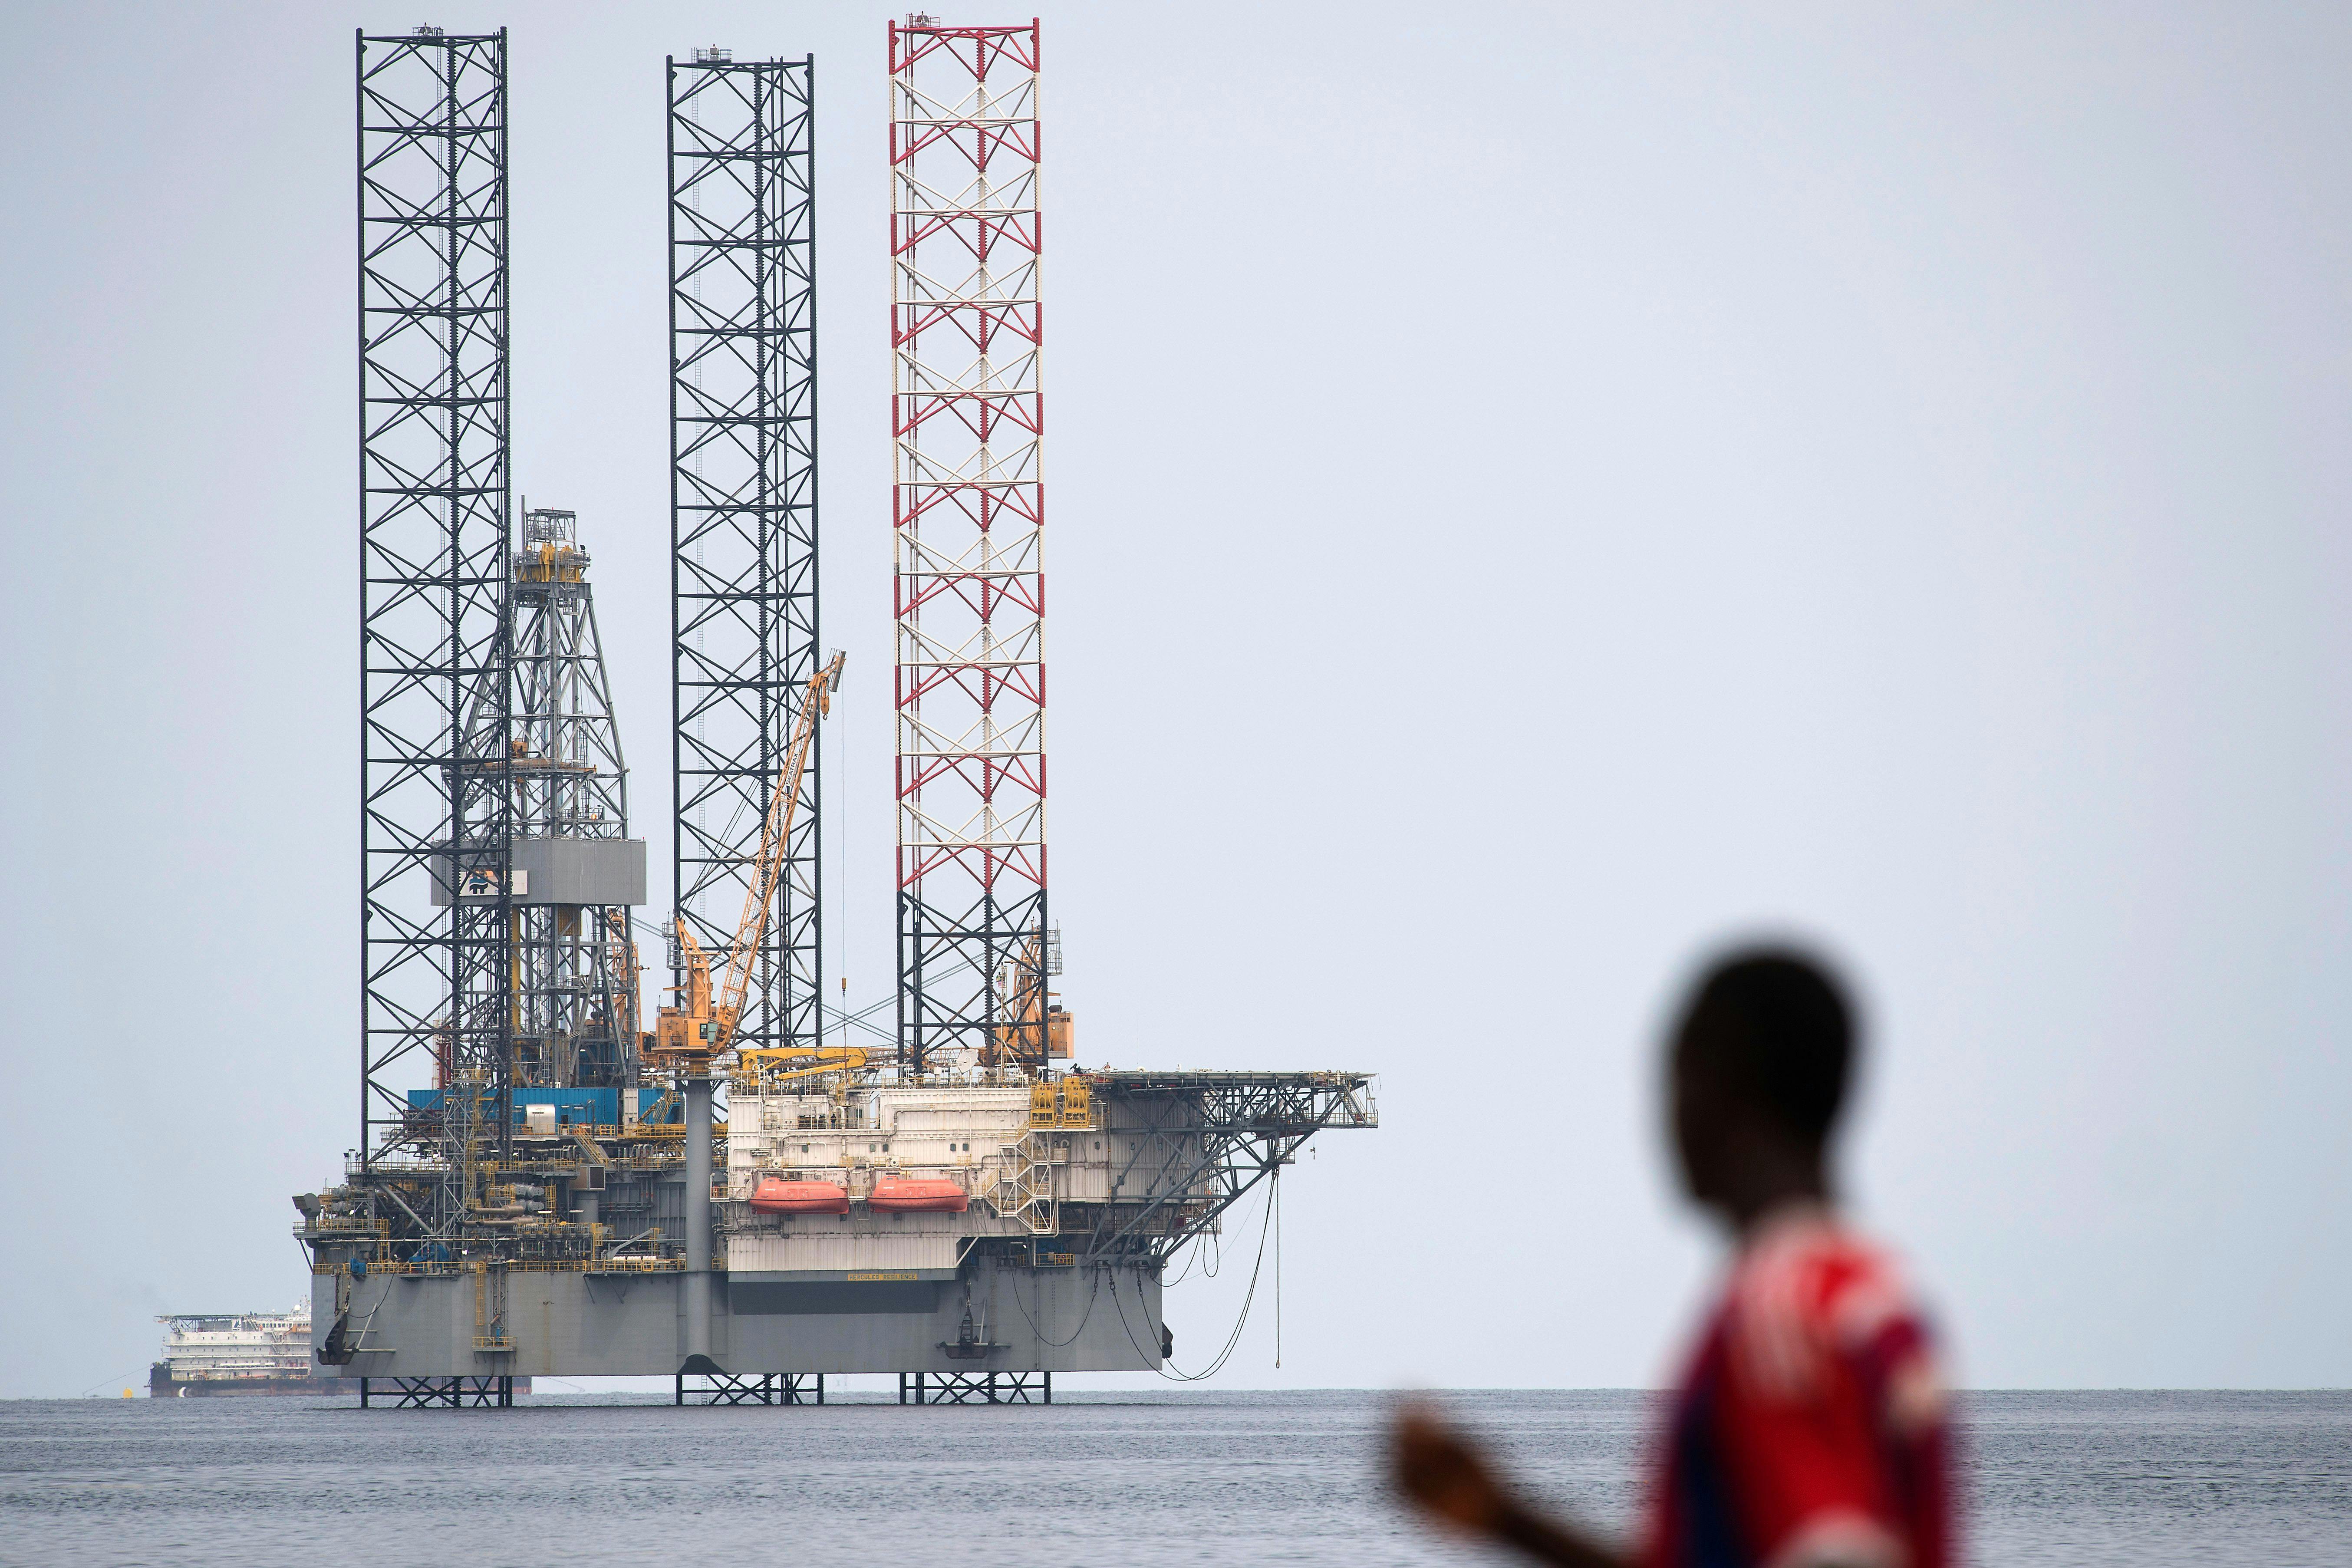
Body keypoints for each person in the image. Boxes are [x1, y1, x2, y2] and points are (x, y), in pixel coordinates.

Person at [1392, 949, 1953, 1568]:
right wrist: (1506, 1519)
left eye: (1670, 1083)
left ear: (1716, 1081)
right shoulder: (1875, 1295)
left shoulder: (1781, 1319)